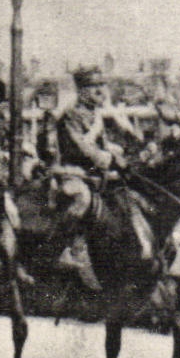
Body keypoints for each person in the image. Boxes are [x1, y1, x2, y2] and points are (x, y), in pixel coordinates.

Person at [50, 66, 132, 291]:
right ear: (82, 90)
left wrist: (119, 154)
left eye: (101, 85)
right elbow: (83, 147)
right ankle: (65, 246)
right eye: (93, 86)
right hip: (72, 172)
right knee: (82, 198)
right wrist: (108, 158)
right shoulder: (71, 115)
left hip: (95, 174)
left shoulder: (95, 114)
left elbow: (102, 145)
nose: (99, 90)